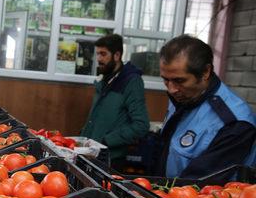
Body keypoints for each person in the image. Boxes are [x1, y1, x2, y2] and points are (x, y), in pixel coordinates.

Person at [155, 35, 255, 178]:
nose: (171, 89)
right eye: (165, 80)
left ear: (205, 72)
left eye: (179, 80)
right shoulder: (183, 96)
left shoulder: (234, 123)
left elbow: (200, 183)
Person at [80, 34, 149, 169]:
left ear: (117, 55)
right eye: (98, 54)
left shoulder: (131, 82)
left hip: (111, 159)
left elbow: (141, 125)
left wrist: (108, 140)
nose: (99, 59)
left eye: (103, 54)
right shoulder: (105, 79)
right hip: (92, 154)